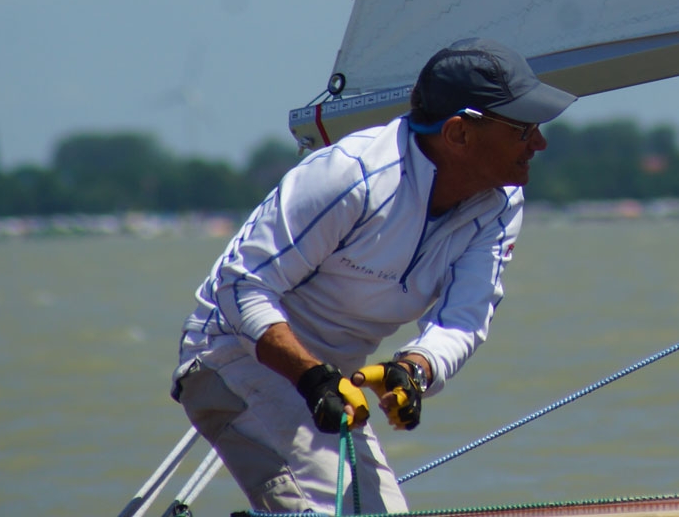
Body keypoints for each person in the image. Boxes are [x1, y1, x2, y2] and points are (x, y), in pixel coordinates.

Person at [171, 38, 575, 514]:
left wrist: (415, 369)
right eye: (523, 129)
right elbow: (241, 287)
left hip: (325, 381)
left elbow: (463, 318)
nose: (540, 143)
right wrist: (312, 378)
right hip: (231, 359)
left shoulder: (501, 201)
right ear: (459, 133)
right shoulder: (350, 175)